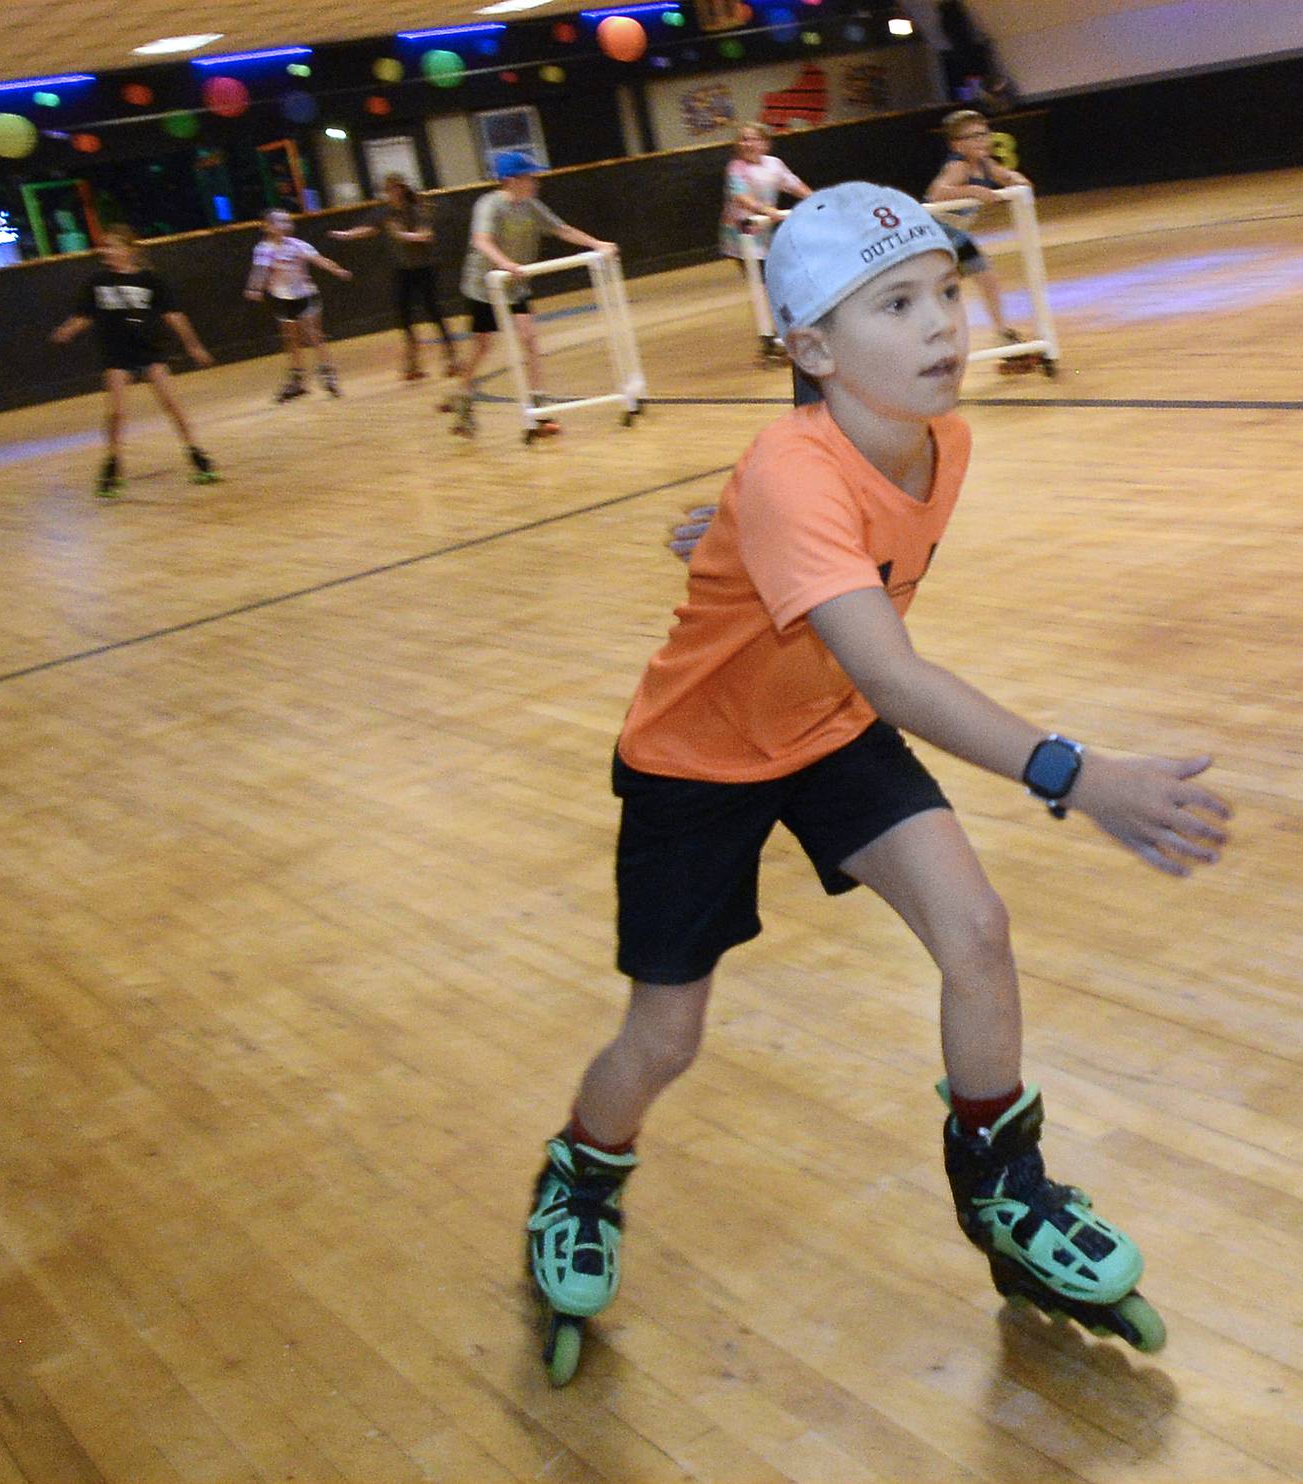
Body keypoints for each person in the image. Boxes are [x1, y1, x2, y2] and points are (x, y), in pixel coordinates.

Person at [526, 184, 1232, 1383]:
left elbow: (809, 518)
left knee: (977, 927)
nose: (940, 325)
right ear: (809, 348)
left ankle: (1004, 1188)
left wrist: (733, 521)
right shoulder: (795, 472)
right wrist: (1075, 773)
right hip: (696, 764)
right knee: (664, 1036)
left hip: (826, 729)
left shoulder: (935, 437)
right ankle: (583, 1170)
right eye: (895, 304)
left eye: (947, 293)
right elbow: (893, 668)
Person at [447, 152, 617, 438]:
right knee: (482, 347)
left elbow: (562, 229)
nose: (534, 181)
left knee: (530, 340)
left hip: (514, 287)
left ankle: (538, 408)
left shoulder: (531, 207)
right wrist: (506, 264)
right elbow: (481, 240)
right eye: (529, 177)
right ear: (510, 181)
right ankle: (462, 395)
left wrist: (596, 244)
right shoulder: (489, 205)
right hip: (484, 287)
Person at [48, 224, 217, 499]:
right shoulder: (97, 282)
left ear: (129, 250)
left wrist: (194, 346)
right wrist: (66, 330)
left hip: (149, 351)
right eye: (105, 246)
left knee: (170, 403)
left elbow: (174, 315)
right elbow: (83, 315)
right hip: (117, 355)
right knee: (116, 412)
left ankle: (197, 454)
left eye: (113, 246)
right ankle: (113, 465)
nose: (107, 251)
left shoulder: (150, 280)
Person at [329, 175, 459, 382]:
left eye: (393, 188)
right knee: (404, 316)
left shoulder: (417, 209)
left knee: (434, 312)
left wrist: (402, 235)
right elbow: (370, 229)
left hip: (423, 268)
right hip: (402, 271)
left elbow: (427, 235)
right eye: (388, 189)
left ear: (401, 189)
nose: (391, 193)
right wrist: (348, 234)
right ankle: (413, 363)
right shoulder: (385, 213)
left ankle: (452, 358)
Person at [924, 109, 1031, 352]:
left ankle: (1002, 332)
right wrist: (970, 191)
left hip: (957, 236)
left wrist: (1016, 179)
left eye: (984, 134)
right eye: (972, 137)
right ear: (956, 145)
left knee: (988, 279)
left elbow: (1005, 175)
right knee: (938, 292)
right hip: (933, 237)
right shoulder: (958, 166)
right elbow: (936, 193)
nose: (981, 140)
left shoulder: (985, 164)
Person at [719, 121, 812, 362]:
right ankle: (770, 338)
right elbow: (740, 196)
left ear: (764, 142)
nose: (747, 144)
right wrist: (766, 210)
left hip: (766, 233)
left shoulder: (774, 165)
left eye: (752, 139)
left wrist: (816, 200)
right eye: (743, 139)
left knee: (778, 282)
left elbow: (793, 184)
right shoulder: (736, 168)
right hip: (742, 236)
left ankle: (781, 334)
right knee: (761, 284)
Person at [245, 209, 353, 402]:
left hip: (306, 296)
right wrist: (255, 288)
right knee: (290, 338)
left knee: (313, 335)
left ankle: (328, 375)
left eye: (286, 221)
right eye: (279, 222)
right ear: (268, 226)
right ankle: (297, 381)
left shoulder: (297, 245)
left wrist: (338, 270)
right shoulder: (263, 249)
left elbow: (320, 260)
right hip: (282, 298)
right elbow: (260, 271)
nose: (284, 225)